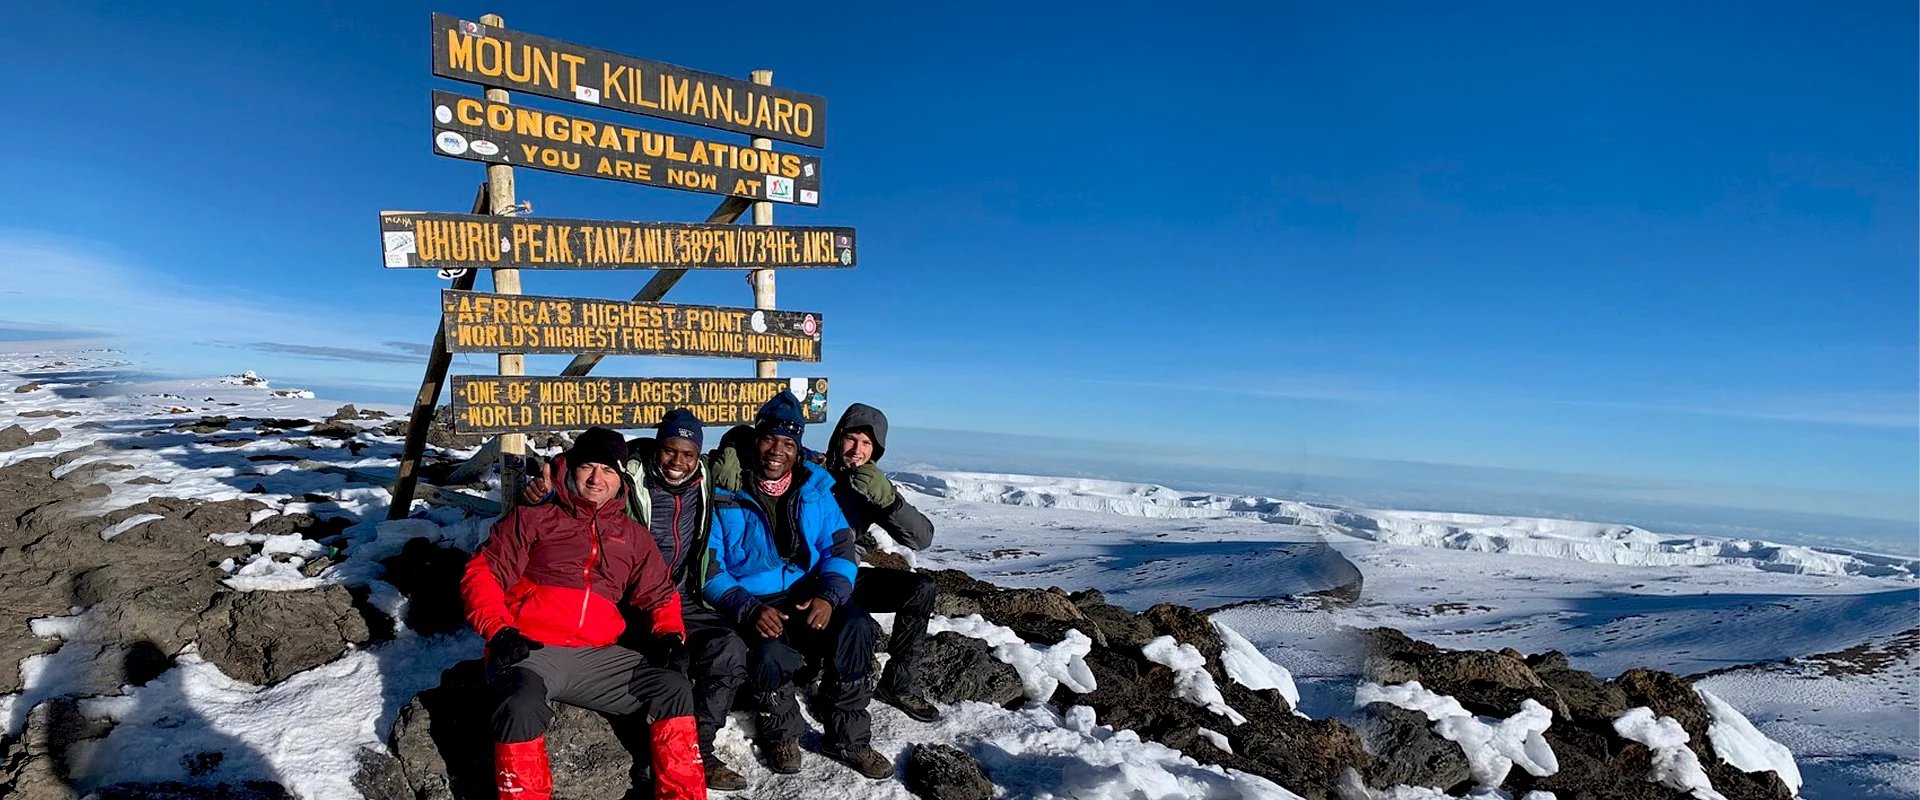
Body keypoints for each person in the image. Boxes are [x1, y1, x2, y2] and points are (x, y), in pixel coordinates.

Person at [462, 427, 706, 800]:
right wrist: (499, 631)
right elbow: (482, 574)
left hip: (599, 655)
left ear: (621, 479)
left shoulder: (633, 535)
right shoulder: (533, 519)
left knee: (672, 688)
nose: (596, 479)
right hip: (531, 650)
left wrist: (670, 634)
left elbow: (659, 593)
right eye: (588, 467)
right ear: (570, 468)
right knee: (519, 703)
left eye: (608, 470)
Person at [520, 412, 750, 791]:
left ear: (699, 456)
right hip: (627, 599)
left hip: (679, 594)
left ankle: (700, 750)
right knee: (657, 666)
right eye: (669, 450)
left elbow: (759, 461)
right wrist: (545, 491)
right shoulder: (629, 475)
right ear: (657, 447)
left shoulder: (705, 477)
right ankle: (651, 756)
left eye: (688, 454)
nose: (678, 462)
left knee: (728, 649)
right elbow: (585, 471)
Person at [702, 392, 893, 779]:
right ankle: (780, 734)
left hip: (810, 591)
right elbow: (709, 567)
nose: (777, 451)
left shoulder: (815, 488)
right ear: (756, 441)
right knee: (768, 651)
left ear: (797, 449)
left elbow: (840, 547)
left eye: (788, 443)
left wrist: (829, 596)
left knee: (856, 626)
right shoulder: (724, 493)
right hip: (753, 599)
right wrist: (747, 608)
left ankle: (848, 738)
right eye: (769, 439)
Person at [822, 403, 942, 722]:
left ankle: (898, 685)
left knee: (921, 589)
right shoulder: (813, 471)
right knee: (855, 621)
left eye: (867, 443)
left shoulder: (872, 486)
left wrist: (888, 501)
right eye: (851, 439)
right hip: (810, 579)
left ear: (876, 450)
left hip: (847, 576)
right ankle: (837, 694)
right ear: (838, 438)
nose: (857, 449)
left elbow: (922, 538)